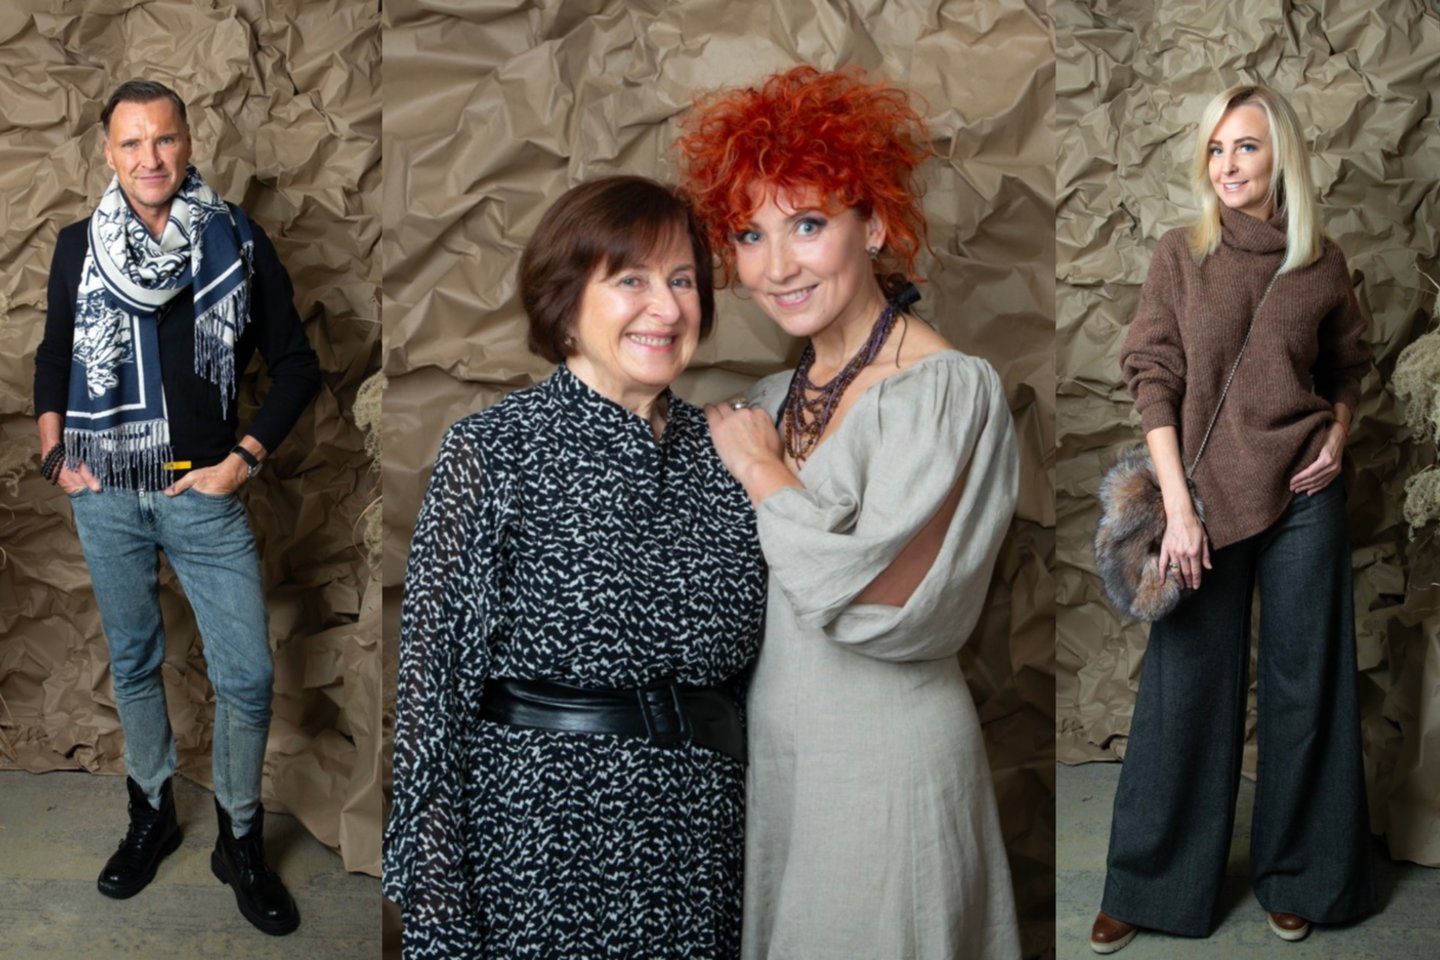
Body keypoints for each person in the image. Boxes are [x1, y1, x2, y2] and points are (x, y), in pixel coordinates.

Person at [678, 66, 1023, 960]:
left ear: (872, 224)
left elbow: (886, 606)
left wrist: (762, 472)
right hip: (781, 761)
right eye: (750, 234)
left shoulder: (942, 389)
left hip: (887, 760)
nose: (777, 266)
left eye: (807, 224)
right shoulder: (770, 396)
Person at [383, 175, 766, 959]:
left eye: (682, 280)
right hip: (539, 835)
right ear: (564, 303)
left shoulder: (732, 454)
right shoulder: (493, 452)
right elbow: (432, 694)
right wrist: (438, 906)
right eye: (631, 280)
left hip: (701, 840)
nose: (667, 308)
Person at [1089, 84, 1375, 953]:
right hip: (1203, 501)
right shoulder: (1182, 255)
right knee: (1185, 691)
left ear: (1280, 154)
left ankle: (1302, 877)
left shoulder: (1320, 262)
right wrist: (1178, 508)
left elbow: (1348, 367)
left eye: (1245, 146)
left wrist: (1338, 433)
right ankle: (1150, 885)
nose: (1227, 164)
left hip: (1304, 496)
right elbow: (1152, 376)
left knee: (1306, 686)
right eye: (1216, 149)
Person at [32, 80, 319, 934]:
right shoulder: (78, 246)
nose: (149, 157)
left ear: (188, 142)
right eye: (131, 142)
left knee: (248, 675)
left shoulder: (236, 239)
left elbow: (297, 365)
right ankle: (150, 814)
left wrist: (243, 462)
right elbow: (53, 358)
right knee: (133, 661)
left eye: (164, 139)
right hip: (105, 491)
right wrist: (55, 456)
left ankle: (240, 839)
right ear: (108, 153)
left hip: (201, 493)